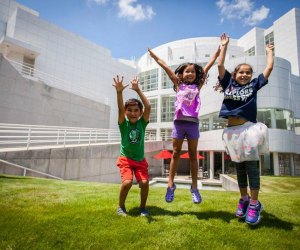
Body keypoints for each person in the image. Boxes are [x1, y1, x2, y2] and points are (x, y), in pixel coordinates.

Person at [148, 46, 220, 204]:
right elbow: (165, 66)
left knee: (194, 155)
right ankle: (170, 185)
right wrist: (153, 56)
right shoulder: (178, 84)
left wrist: (217, 52)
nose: (190, 74)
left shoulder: (198, 86)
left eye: (193, 72)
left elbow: (208, 66)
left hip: (193, 124)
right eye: (187, 71)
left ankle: (194, 188)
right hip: (179, 124)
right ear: (181, 74)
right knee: (175, 153)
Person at [216, 33, 274, 225]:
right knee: (239, 168)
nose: (245, 75)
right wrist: (224, 46)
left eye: (248, 72)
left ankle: (255, 203)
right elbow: (220, 66)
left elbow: (269, 68)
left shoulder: (254, 85)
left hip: (248, 130)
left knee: (250, 167)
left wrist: (269, 52)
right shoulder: (228, 84)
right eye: (241, 72)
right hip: (232, 133)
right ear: (235, 75)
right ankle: (244, 199)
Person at [113, 75, 151, 216]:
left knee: (145, 183)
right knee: (127, 183)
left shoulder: (142, 123)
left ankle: (143, 208)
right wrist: (119, 92)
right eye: (130, 110)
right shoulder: (123, 123)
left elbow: (148, 106)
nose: (133, 113)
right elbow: (120, 109)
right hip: (126, 159)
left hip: (140, 160)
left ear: (140, 113)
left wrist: (138, 90)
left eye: (136, 110)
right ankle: (121, 207)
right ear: (126, 112)